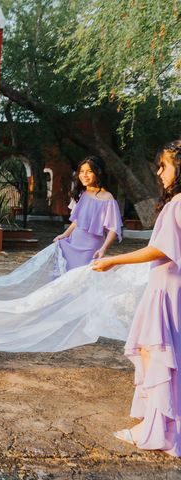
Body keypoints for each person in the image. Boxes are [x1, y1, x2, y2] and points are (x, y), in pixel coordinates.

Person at [93, 140, 181, 456]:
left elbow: (161, 248)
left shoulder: (180, 202)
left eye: (164, 166)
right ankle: (158, 425)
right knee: (158, 356)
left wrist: (114, 259)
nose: (159, 172)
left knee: (155, 355)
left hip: (166, 291)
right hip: (166, 287)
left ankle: (157, 431)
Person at [54, 156, 122, 270]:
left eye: (89, 172)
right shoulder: (81, 194)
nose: (84, 175)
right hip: (74, 241)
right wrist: (65, 234)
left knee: (82, 276)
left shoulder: (107, 198)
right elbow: (78, 221)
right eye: (81, 172)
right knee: (65, 274)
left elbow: (114, 229)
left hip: (91, 246)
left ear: (98, 173)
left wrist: (103, 248)